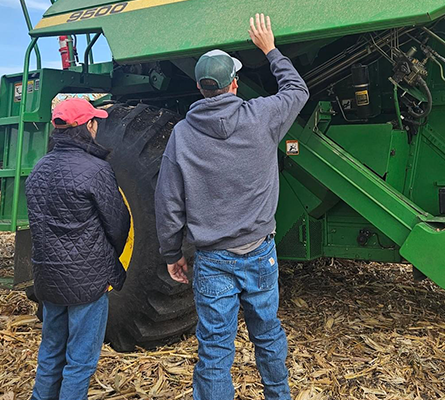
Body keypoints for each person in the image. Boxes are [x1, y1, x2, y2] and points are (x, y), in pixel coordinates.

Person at [154, 13, 309, 400]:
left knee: (214, 352)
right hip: (259, 252)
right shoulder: (261, 117)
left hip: (212, 259)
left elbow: (168, 202)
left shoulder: (182, 135)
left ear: (199, 88)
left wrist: (172, 253)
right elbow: (297, 90)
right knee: (268, 335)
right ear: (234, 84)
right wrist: (270, 50)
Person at [25, 98, 130, 400]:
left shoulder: (39, 168)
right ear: (88, 127)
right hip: (87, 281)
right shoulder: (96, 170)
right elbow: (118, 224)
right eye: (95, 122)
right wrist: (107, 260)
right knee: (80, 361)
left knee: (51, 353)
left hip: (48, 278)